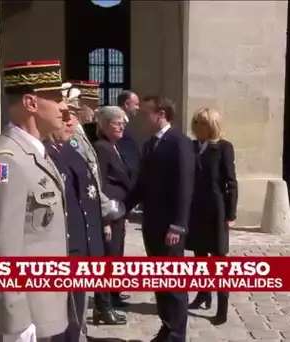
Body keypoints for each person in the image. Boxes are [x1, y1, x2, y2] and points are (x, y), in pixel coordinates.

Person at [0, 60, 72, 342]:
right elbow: (1, 250)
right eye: (55, 98)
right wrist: (15, 322)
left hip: (43, 307)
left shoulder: (36, 154)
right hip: (24, 318)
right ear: (30, 102)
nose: (63, 107)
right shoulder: (7, 162)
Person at [45, 89, 126, 336]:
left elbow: (91, 178)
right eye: (84, 105)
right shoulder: (67, 142)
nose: (88, 110)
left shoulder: (78, 137)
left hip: (90, 215)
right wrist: (106, 214)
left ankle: (91, 317)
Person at [125, 95, 195, 342]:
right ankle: (167, 326)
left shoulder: (179, 142)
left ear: (161, 114)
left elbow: (185, 186)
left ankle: (177, 334)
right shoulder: (149, 144)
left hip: (170, 227)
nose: (142, 117)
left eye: (146, 113)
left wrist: (178, 224)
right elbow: (142, 186)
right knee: (160, 279)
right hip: (152, 225)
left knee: (173, 282)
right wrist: (121, 208)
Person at [185, 108, 238, 326]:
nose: (197, 127)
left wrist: (231, 214)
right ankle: (203, 293)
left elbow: (231, 182)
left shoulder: (224, 147)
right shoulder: (191, 146)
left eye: (202, 123)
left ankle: (222, 306)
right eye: (195, 123)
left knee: (218, 260)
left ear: (212, 125)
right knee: (199, 256)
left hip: (216, 210)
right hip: (195, 209)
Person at [94, 106, 136, 308]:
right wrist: (105, 221)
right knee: (109, 257)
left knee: (117, 255)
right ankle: (105, 303)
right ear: (105, 125)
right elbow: (99, 183)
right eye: (117, 123)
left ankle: (115, 293)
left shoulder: (114, 146)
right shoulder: (101, 147)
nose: (121, 127)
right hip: (109, 213)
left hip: (119, 212)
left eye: (122, 123)